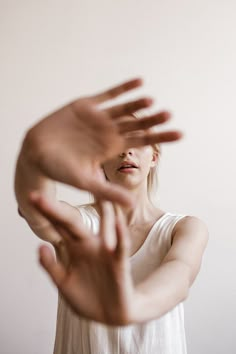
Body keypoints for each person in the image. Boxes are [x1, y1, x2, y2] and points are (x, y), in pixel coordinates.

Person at [15, 78, 208, 354]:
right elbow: (37, 209)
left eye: (137, 141)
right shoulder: (81, 224)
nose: (125, 150)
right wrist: (32, 158)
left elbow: (180, 274)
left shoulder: (186, 228)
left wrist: (134, 305)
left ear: (154, 157)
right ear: (99, 160)